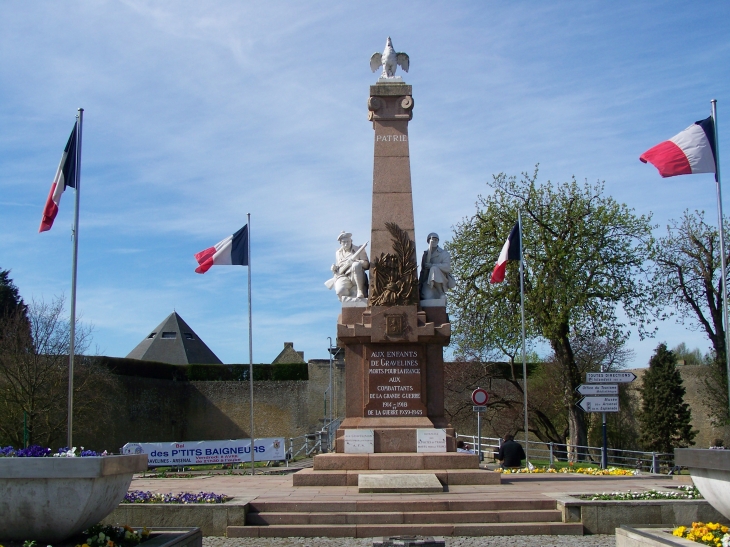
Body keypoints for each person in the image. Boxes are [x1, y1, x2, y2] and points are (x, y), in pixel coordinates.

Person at [327, 231, 370, 301]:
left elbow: (366, 265)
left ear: (351, 241)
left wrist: (356, 261)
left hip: (355, 275)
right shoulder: (338, 253)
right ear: (340, 243)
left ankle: (359, 290)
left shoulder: (359, 249)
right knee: (340, 291)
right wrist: (334, 268)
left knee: (356, 265)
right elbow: (339, 267)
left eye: (348, 241)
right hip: (343, 276)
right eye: (344, 242)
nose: (346, 244)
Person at [419, 233, 456, 301]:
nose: (434, 241)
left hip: (441, 280)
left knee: (434, 269)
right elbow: (423, 271)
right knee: (426, 298)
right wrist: (420, 284)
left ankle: (441, 293)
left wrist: (432, 265)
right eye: (432, 239)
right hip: (428, 282)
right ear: (428, 241)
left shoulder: (444, 253)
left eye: (436, 239)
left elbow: (447, 267)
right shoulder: (425, 254)